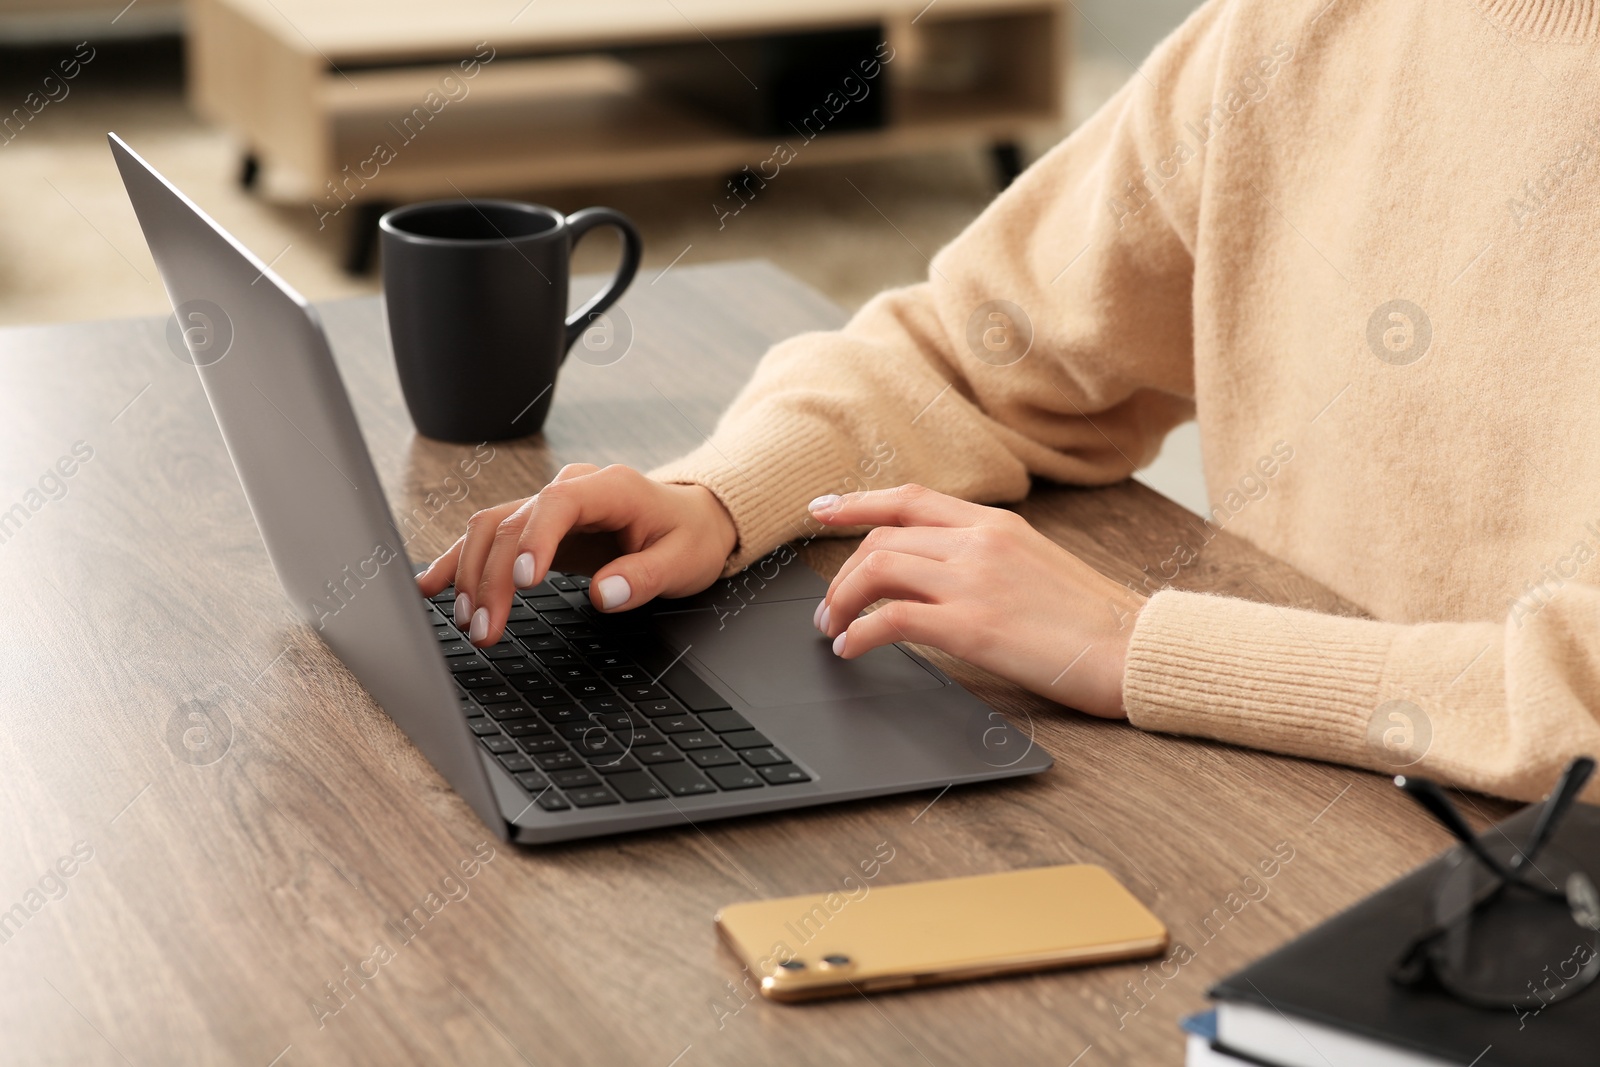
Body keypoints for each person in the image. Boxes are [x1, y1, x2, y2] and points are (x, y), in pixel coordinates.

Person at [420, 0, 1600, 803]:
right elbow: (977, 344)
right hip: (1272, 791)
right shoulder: (1296, 28)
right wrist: (723, 495)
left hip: (1518, 876)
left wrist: (1138, 643)